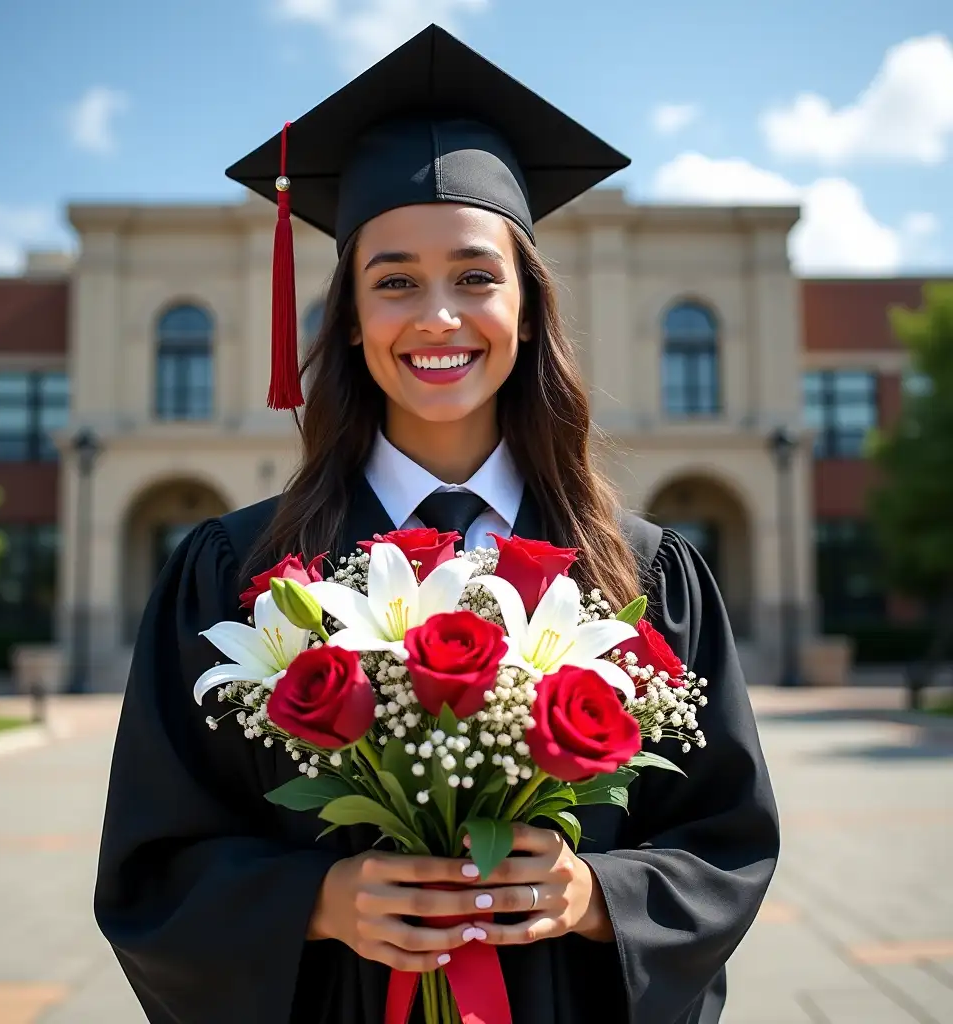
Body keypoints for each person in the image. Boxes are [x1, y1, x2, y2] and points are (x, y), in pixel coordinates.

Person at [94, 24, 779, 1024]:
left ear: (529, 307)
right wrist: (317, 901)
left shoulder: (640, 570)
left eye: (474, 276)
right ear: (349, 316)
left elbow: (724, 836)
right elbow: (152, 864)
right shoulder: (241, 572)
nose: (438, 317)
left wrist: (598, 898)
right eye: (394, 281)